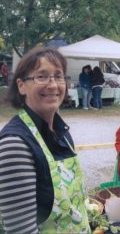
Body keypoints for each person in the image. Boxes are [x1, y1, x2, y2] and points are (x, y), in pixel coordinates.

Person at [0, 47, 90, 233]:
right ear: (21, 85)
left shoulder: (61, 132)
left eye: (59, 76)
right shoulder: (15, 145)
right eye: (41, 76)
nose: (53, 85)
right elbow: (20, 230)